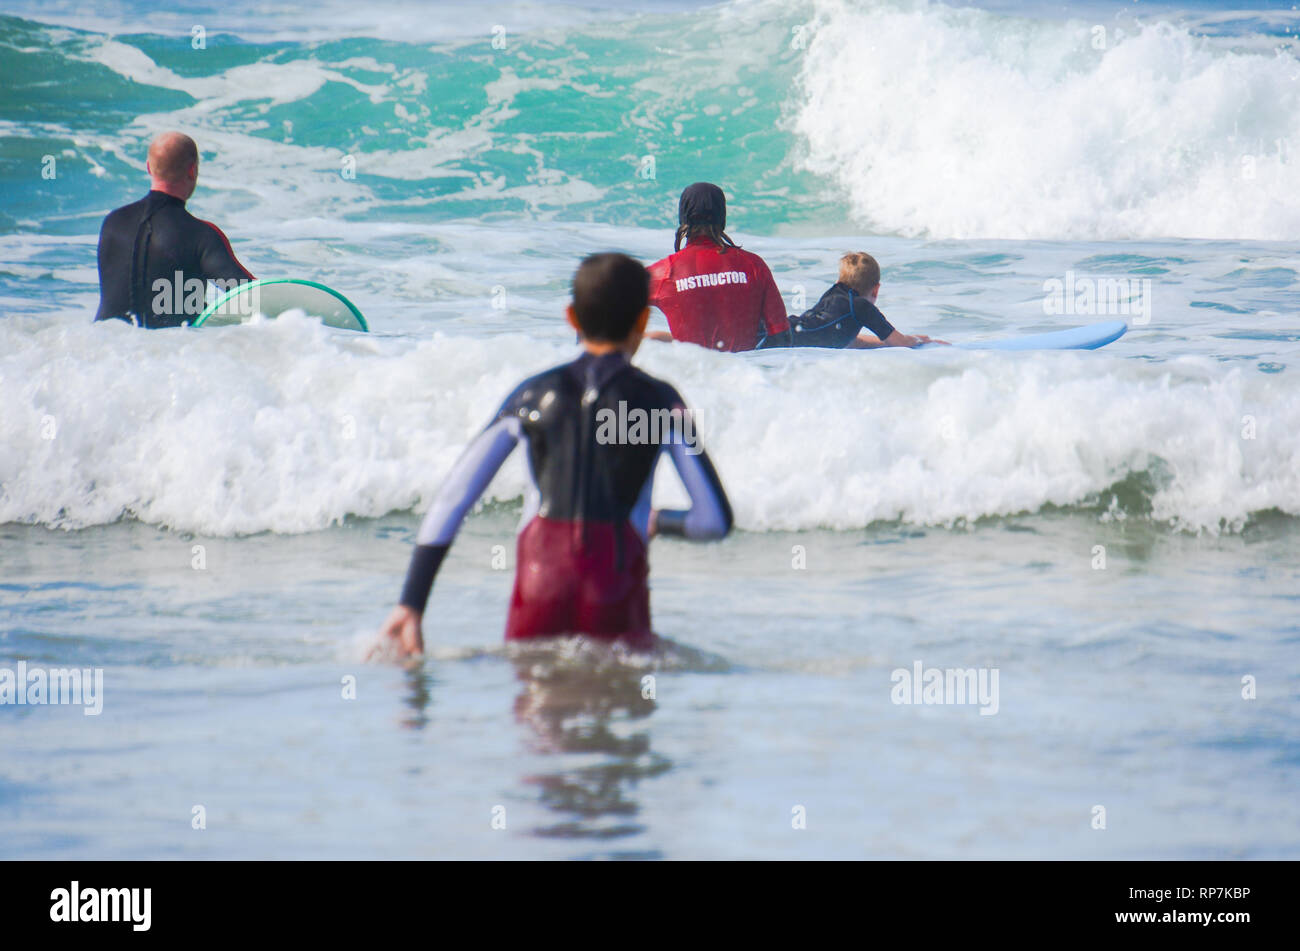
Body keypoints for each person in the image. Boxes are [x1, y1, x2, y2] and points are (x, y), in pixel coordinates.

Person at [377, 252, 733, 658]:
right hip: (615, 590)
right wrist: (659, 521)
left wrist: (412, 603)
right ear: (642, 321)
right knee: (619, 706)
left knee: (541, 702)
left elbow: (454, 497)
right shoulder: (657, 402)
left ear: (571, 318)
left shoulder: (532, 397)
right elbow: (713, 521)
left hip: (539, 586)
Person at [94, 132, 254, 328]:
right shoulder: (201, 235)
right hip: (172, 353)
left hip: (103, 348)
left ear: (148, 168)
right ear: (192, 171)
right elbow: (250, 296)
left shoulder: (112, 223)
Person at [645, 183, 791, 352]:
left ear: (683, 218)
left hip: (690, 374)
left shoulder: (662, 273)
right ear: (722, 217)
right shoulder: (754, 265)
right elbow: (782, 337)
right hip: (745, 374)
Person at [790, 252, 946, 348]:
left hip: (783, 332)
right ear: (876, 290)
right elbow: (899, 343)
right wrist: (919, 340)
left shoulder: (833, 296)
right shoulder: (861, 306)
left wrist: (884, 344)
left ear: (839, 281)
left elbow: (850, 342)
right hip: (785, 341)